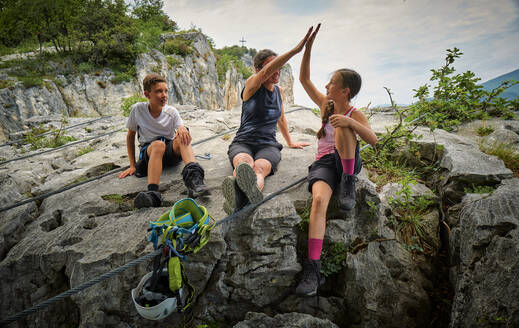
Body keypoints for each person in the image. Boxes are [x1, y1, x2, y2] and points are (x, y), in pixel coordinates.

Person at [295, 24, 378, 296]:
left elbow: (373, 140)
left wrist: (350, 122)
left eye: (332, 82)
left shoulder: (354, 112)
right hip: (323, 164)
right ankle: (313, 267)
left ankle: (348, 181)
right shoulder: (325, 105)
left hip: (347, 163)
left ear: (345, 91)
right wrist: (307, 47)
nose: (327, 85)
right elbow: (304, 79)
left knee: (343, 125)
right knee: (318, 201)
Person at [222, 27, 315, 215]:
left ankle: (241, 194)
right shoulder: (252, 85)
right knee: (244, 164)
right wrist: (296, 50)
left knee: (259, 169)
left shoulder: (279, 92)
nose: (277, 71)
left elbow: (280, 118)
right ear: (258, 69)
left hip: (268, 145)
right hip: (244, 142)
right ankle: (242, 193)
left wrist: (289, 142)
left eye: (278, 67)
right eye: (272, 67)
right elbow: (264, 75)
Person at [118, 73, 209, 208]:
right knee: (158, 145)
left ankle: (194, 179)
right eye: (159, 91)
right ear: (147, 94)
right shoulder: (138, 109)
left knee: (183, 135)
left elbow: (181, 127)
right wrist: (132, 165)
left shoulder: (171, 111)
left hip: (169, 152)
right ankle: (153, 194)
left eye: (166, 91)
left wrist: (182, 129)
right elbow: (130, 135)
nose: (164, 95)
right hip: (150, 153)